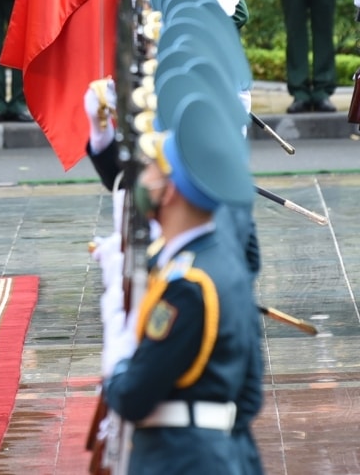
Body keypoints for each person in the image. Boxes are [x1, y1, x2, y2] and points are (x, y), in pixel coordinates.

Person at [96, 66, 260, 474]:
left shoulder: (186, 285)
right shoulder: (223, 264)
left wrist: (116, 341)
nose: (143, 176)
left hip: (179, 458)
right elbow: (251, 391)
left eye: (152, 167)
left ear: (168, 190)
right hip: (218, 453)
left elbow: (132, 396)